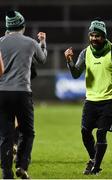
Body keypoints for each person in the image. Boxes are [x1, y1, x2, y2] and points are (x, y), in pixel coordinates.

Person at [64, 19, 112, 175]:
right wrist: (69, 61)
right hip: (91, 100)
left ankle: (95, 168)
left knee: (101, 133)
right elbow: (75, 74)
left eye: (97, 36)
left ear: (104, 36)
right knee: (85, 132)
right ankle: (94, 159)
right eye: (91, 35)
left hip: (109, 101)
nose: (93, 38)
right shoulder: (86, 52)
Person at [0, 10, 47, 179]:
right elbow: (42, 59)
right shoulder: (31, 43)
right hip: (22, 93)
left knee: (5, 135)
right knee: (27, 132)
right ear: (23, 26)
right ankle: (22, 165)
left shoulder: (0, 42)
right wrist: (42, 43)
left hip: (2, 93)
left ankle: (6, 173)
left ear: (7, 27)